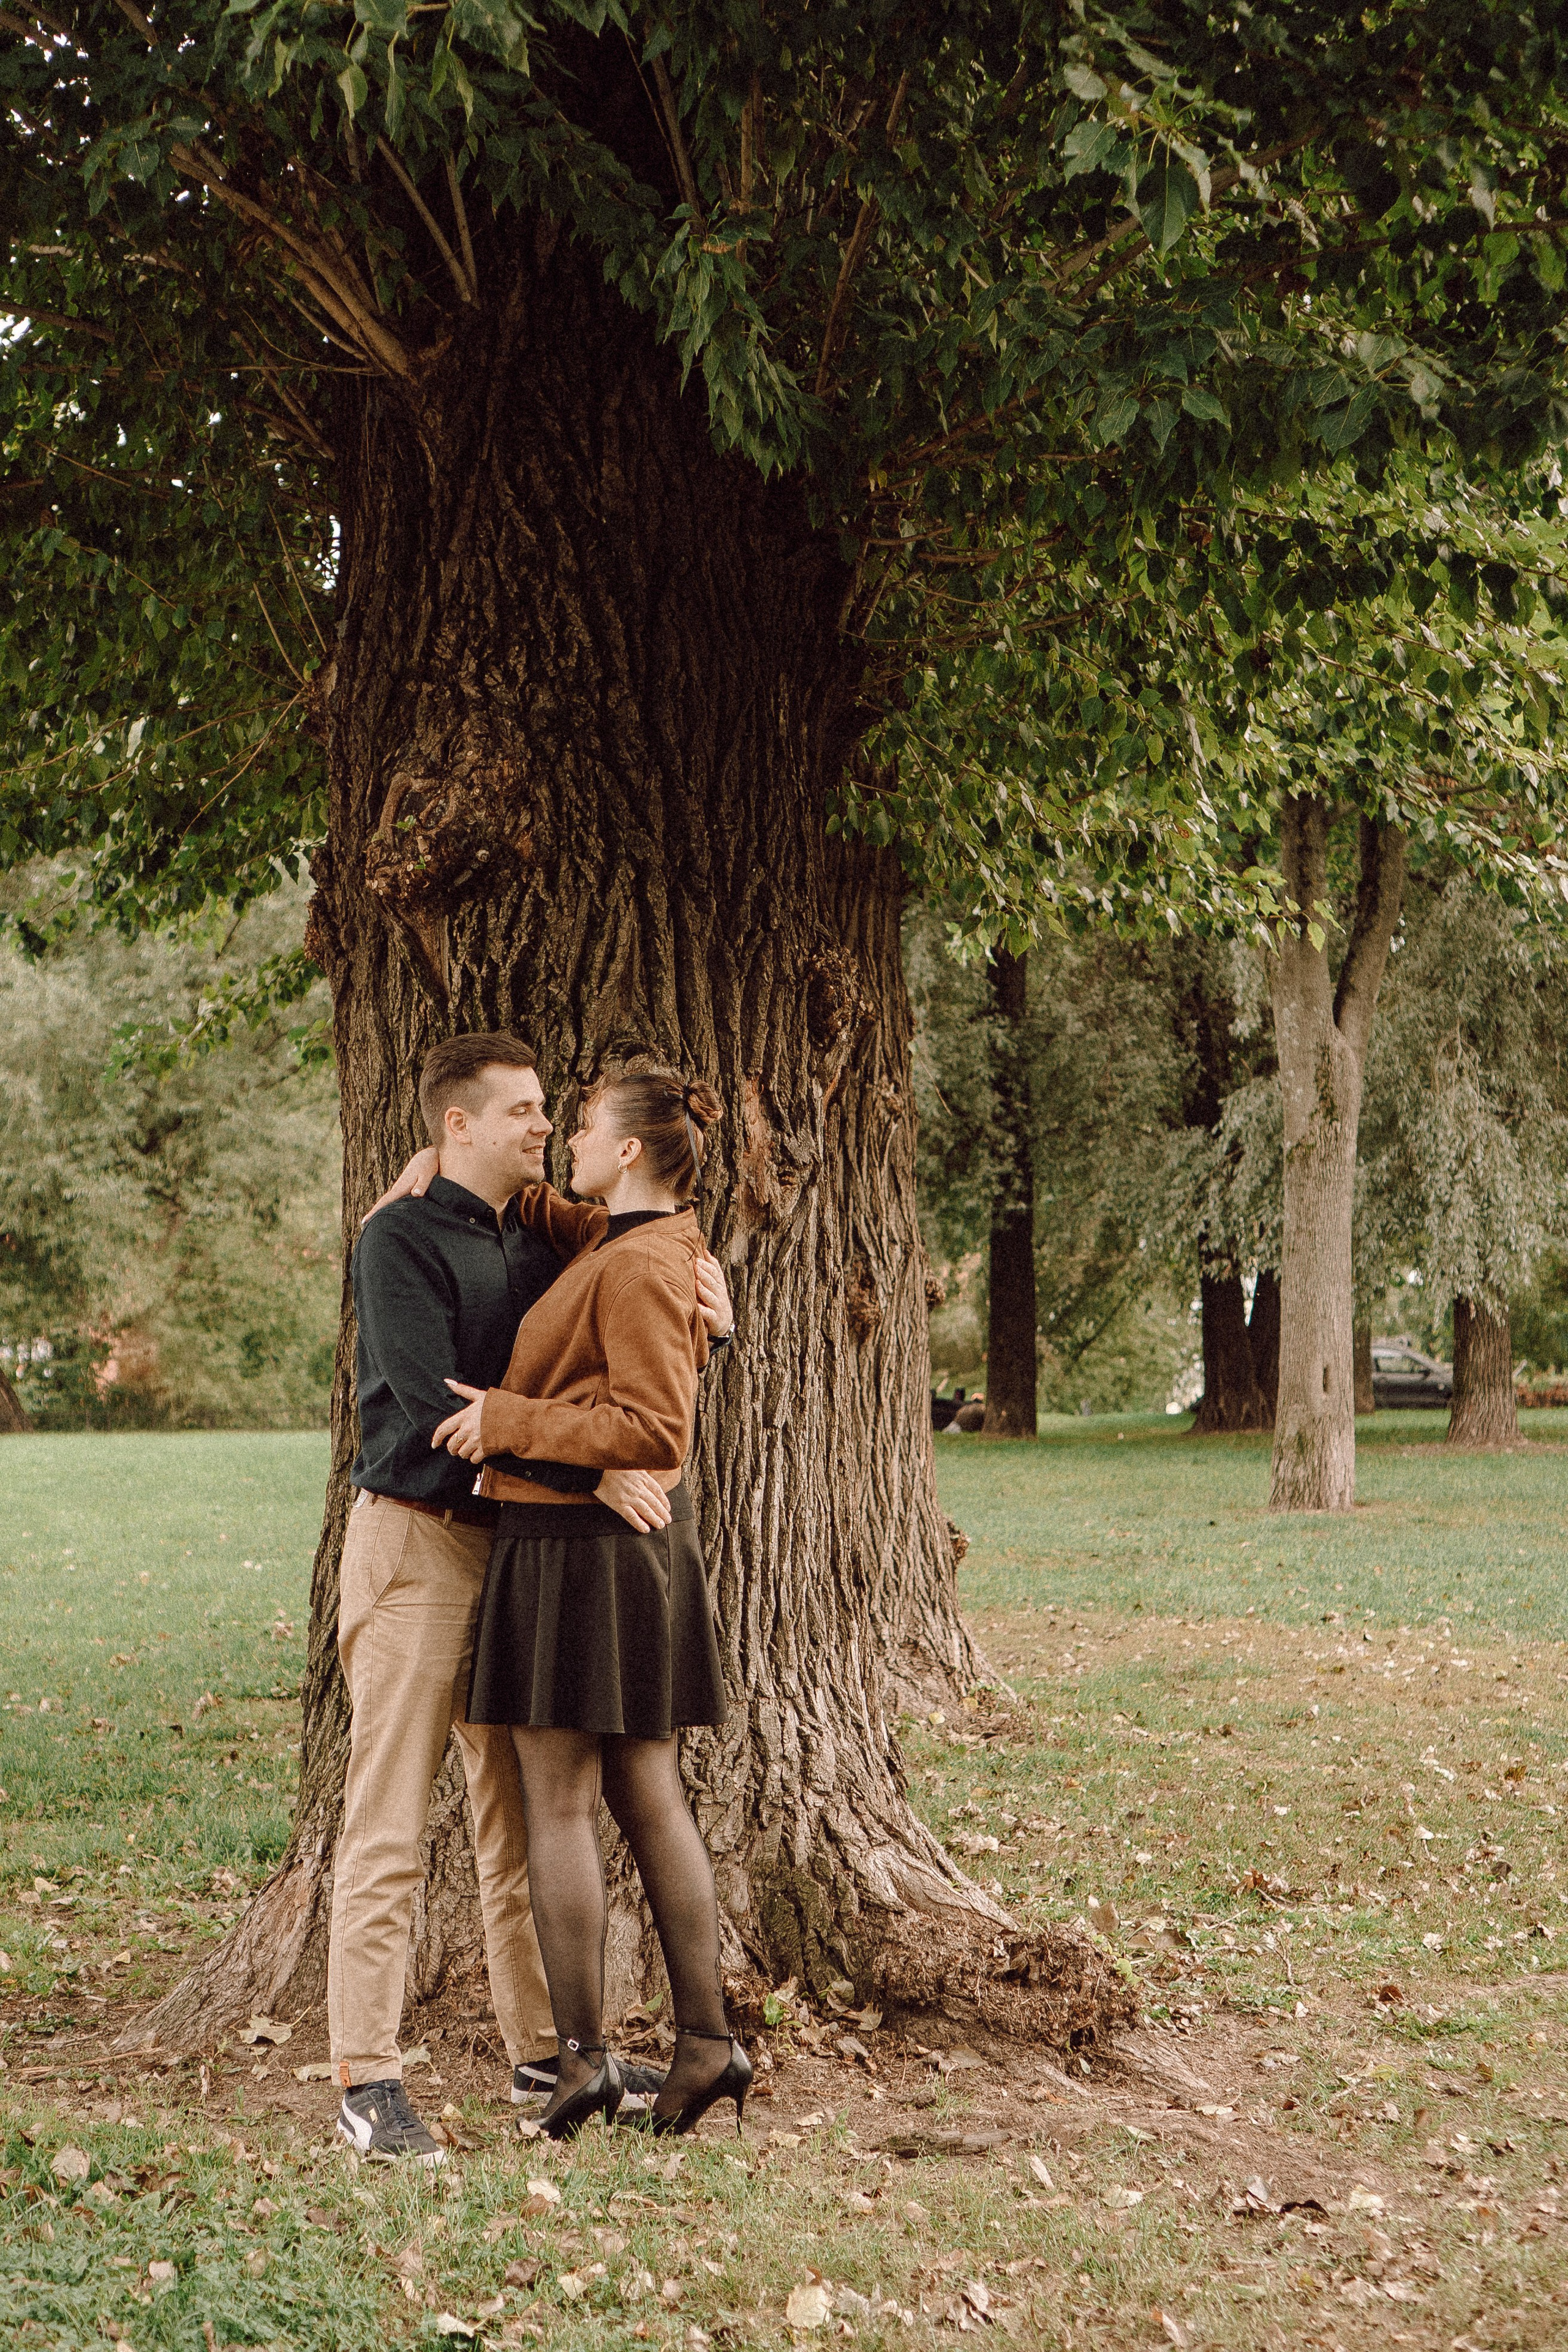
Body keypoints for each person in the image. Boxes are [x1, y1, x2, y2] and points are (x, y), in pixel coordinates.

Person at [333, 1034, 733, 2166]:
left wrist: (716, 1305)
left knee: (517, 1823)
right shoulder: (400, 1238)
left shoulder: (552, 1232)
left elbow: (628, 1327)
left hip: (519, 1555)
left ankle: (548, 2053)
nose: (544, 1127)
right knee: (390, 1825)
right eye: (522, 1111)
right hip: (417, 1550)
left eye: (554, 1112)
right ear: (455, 1125)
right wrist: (591, 1467)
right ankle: (367, 2079)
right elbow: (429, 1412)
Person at [431, 1066, 751, 2142]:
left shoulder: (648, 1262)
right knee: (639, 1789)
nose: (564, 1137)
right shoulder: (622, 1241)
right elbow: (533, 1199)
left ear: (627, 1152)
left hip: (584, 1552)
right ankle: (702, 2047)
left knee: (566, 1800)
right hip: (597, 1552)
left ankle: (586, 2064)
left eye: (581, 1127)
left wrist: (514, 1420)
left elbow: (655, 1433)